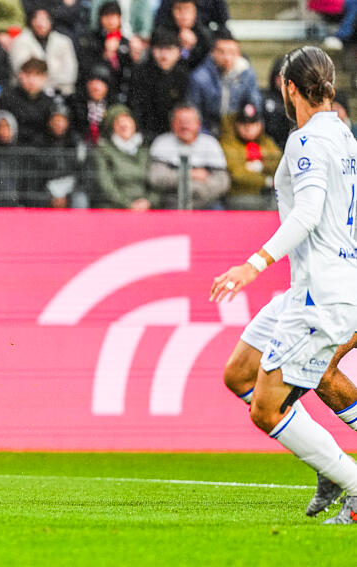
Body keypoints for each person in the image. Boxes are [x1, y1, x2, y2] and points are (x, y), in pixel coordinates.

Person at [211, 46, 357, 524]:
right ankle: (330, 467)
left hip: (322, 292)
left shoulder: (308, 141)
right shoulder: (343, 135)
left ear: (288, 87)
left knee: (267, 411)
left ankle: (349, 481)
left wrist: (253, 265)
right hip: (309, 287)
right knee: (239, 375)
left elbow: (309, 213)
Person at [148, 103, 229, 209]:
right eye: (180, 122)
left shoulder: (210, 143)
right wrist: (188, 174)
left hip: (206, 200)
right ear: (172, 124)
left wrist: (195, 190)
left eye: (189, 122)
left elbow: (222, 181)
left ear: (198, 124)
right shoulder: (162, 143)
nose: (184, 126)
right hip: (171, 201)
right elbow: (155, 178)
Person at [186, 28, 261, 137]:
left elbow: (254, 102)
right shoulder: (199, 78)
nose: (227, 57)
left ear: (238, 53)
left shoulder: (247, 73)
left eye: (232, 52)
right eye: (221, 52)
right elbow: (194, 111)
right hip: (207, 131)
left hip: (238, 130)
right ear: (213, 52)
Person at [127, 27, 188, 141]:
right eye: (159, 49)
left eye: (169, 49)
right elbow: (135, 107)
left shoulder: (183, 76)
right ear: (152, 50)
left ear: (179, 52)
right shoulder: (141, 73)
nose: (164, 55)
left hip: (176, 135)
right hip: (145, 133)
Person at [219, 102, 281, 211]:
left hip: (267, 195)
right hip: (239, 195)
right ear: (236, 125)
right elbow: (237, 174)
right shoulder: (228, 144)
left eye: (253, 124)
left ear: (260, 125)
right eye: (243, 124)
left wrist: (261, 166)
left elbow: (279, 163)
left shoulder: (267, 142)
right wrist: (266, 181)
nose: (248, 128)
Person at [91, 103, 153, 209]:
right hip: (115, 208)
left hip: (146, 207)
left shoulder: (145, 150)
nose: (124, 125)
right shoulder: (103, 151)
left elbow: (156, 184)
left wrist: (148, 202)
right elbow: (106, 184)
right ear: (111, 127)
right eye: (118, 122)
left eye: (127, 120)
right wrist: (128, 205)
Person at [8, 8, 77, 96]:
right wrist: (51, 71)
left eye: (45, 19)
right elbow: (22, 71)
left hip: (60, 92)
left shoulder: (64, 41)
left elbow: (70, 73)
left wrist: (42, 78)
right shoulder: (20, 41)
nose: (41, 24)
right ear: (31, 22)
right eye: (37, 19)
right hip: (27, 94)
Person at [0, 57, 54, 146]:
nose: (31, 80)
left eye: (37, 75)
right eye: (27, 74)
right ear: (20, 75)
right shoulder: (8, 98)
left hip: (41, 152)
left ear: (45, 77)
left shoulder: (49, 103)